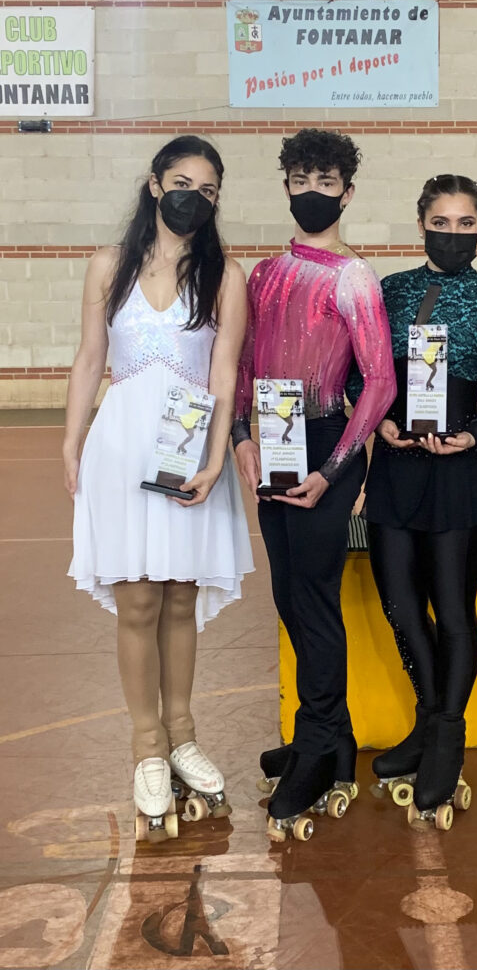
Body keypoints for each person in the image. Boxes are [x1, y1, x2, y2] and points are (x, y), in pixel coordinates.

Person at [64, 136, 253, 842]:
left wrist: (215, 456)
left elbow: (225, 373)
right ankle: (146, 745)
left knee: (178, 598)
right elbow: (90, 359)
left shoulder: (225, 277)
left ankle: (182, 735)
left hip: (187, 451)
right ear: (153, 185)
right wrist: (70, 440)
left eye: (207, 190)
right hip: (120, 449)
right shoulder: (107, 265)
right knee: (138, 600)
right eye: (181, 183)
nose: (192, 198)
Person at [347, 174, 477, 830]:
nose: (454, 234)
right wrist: (380, 422)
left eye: (466, 223)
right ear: (422, 223)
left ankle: (447, 737)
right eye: (442, 222)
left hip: (460, 473)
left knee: (452, 609)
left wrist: (476, 433)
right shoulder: (389, 291)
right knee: (400, 603)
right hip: (397, 467)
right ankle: (428, 721)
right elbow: (354, 373)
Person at [232, 128, 396, 842]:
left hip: (328, 442)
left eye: (325, 182)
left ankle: (317, 746)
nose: (311, 192)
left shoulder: (353, 279)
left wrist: (335, 470)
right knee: (288, 595)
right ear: (286, 187)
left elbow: (380, 383)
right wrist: (241, 436)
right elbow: (243, 364)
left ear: (347, 193)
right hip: (273, 437)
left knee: (315, 598)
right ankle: (330, 738)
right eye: (300, 180)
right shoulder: (263, 275)